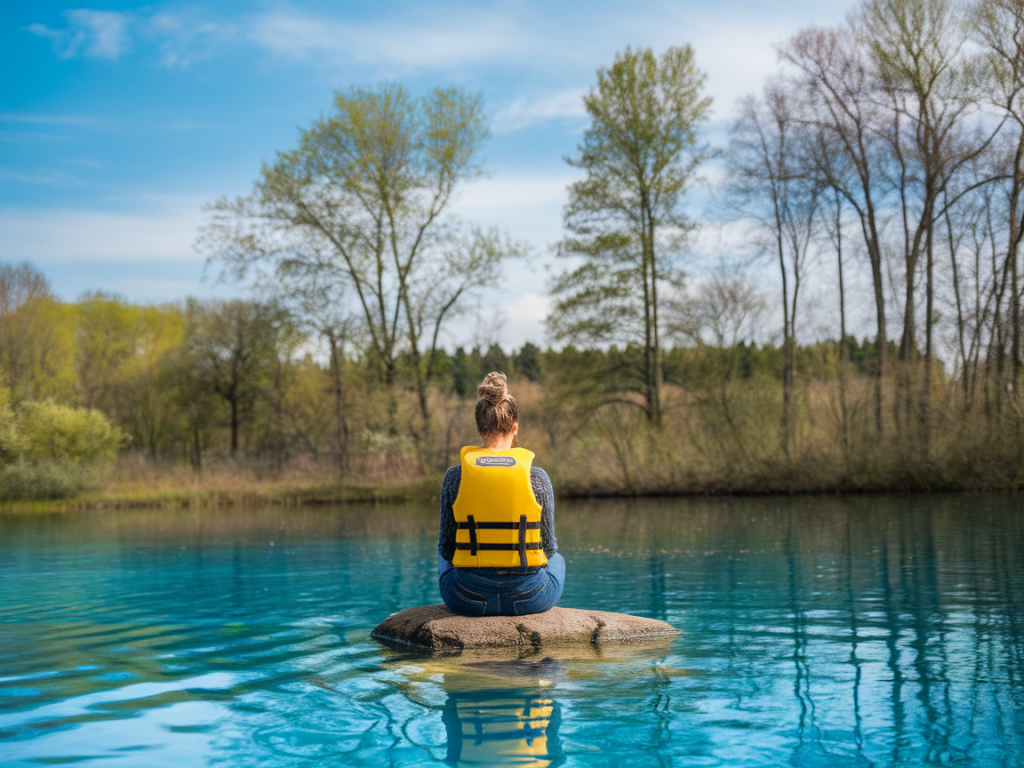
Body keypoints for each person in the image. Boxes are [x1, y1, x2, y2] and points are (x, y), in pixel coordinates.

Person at [437, 371, 565, 616]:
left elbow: (446, 549)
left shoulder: (455, 476)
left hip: (466, 597)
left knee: (442, 557)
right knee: (558, 560)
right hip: (529, 597)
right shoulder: (537, 477)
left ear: (479, 427)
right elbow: (548, 550)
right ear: (514, 427)